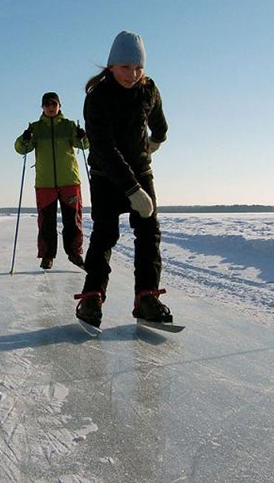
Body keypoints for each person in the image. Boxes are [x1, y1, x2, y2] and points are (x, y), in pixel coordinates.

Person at [74, 30, 172, 328]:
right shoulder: (98, 97)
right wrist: (132, 189)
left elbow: (160, 123)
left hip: (141, 170)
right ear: (111, 65)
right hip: (106, 175)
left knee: (149, 233)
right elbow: (104, 148)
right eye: (125, 67)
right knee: (105, 234)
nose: (133, 74)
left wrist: (156, 140)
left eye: (138, 67)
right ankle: (92, 297)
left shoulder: (148, 89)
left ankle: (146, 297)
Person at [14, 92, 89, 270]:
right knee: (46, 222)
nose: (50, 107)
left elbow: (84, 145)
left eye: (53, 104)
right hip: (45, 182)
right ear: (42, 107)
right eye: (47, 104)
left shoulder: (69, 126)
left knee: (72, 219)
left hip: (69, 180)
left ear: (59, 106)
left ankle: (74, 252)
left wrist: (82, 135)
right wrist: (23, 139)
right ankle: (47, 256)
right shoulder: (36, 128)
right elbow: (21, 149)